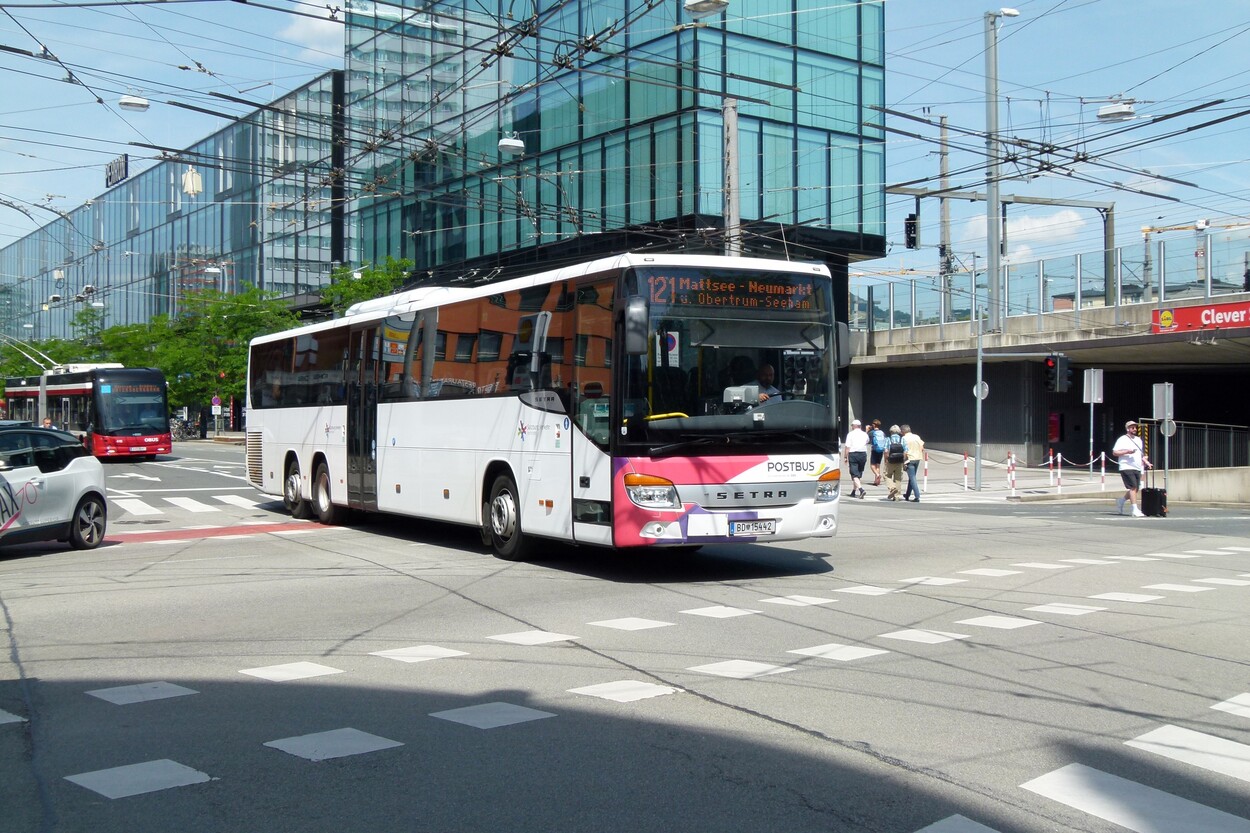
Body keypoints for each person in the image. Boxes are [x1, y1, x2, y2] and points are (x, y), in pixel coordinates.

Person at [1113, 420, 1152, 517]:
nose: (1134, 429)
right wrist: (1127, 452)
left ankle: (1121, 501)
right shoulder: (1122, 439)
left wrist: (1146, 462)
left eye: (1135, 427)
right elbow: (1115, 452)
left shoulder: (1139, 440)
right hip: (1126, 466)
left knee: (1135, 488)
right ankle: (1134, 509)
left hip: (1137, 467)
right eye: (1132, 427)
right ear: (1128, 429)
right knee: (1133, 487)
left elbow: (1140, 454)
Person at [842, 418, 869, 498]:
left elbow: (847, 446)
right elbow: (867, 441)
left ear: (854, 426)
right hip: (863, 454)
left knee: (854, 474)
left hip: (853, 454)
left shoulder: (850, 434)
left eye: (852, 425)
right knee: (858, 474)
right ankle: (853, 491)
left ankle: (861, 490)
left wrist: (845, 457)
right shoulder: (864, 434)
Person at [882, 424, 907, 501]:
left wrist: (886, 460)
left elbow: (886, 451)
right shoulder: (902, 439)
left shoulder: (888, 439)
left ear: (891, 431)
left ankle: (892, 488)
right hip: (899, 461)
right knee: (898, 478)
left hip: (891, 461)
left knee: (886, 475)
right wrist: (903, 460)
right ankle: (897, 496)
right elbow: (905, 451)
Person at [901, 423, 926, 502]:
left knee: (912, 478)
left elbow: (904, 451)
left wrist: (903, 460)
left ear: (903, 431)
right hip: (917, 458)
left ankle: (917, 495)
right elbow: (922, 448)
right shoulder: (916, 436)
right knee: (912, 477)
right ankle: (907, 494)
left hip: (909, 459)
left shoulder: (904, 438)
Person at [868, 419, 886, 486]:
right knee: (878, 465)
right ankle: (877, 481)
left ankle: (877, 474)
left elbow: (866, 439)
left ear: (873, 425)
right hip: (881, 450)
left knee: (872, 465)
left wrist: (867, 430)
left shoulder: (872, 432)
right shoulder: (882, 432)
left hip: (874, 450)